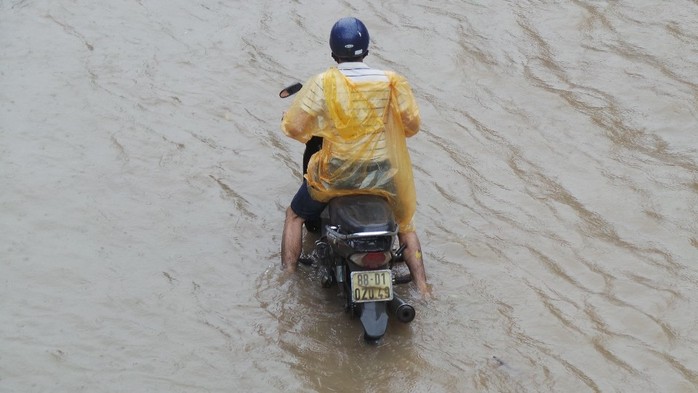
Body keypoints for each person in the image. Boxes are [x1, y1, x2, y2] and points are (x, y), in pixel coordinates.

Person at [280, 16, 429, 296]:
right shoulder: (391, 82)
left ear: (334, 53)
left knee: (295, 215)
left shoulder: (323, 82)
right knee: (406, 225)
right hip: (383, 172)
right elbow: (411, 125)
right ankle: (423, 287)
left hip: (335, 173)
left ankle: (287, 276)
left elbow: (294, 126)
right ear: (367, 50)